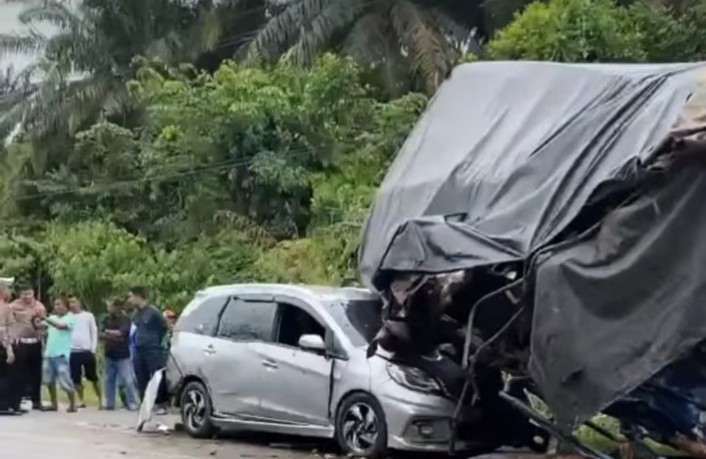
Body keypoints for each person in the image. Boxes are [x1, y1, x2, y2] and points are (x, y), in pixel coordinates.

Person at [10, 285, 46, 410]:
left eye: (29, 293)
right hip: (21, 342)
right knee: (19, 373)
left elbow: (43, 323)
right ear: (20, 294)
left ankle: (36, 401)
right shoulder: (13, 306)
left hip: (35, 342)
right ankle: (17, 401)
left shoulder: (39, 307)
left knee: (37, 373)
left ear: (33, 293)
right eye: (24, 294)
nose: (27, 297)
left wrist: (41, 325)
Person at [128, 286, 167, 400]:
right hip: (138, 349)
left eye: (131, 297)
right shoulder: (136, 314)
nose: (129, 300)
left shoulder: (153, 312)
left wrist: (155, 341)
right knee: (140, 377)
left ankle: (161, 402)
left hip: (152, 349)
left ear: (138, 296)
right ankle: (144, 401)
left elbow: (164, 327)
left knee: (156, 376)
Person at [101, 299, 139, 411]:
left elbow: (122, 333)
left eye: (110, 306)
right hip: (109, 353)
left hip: (122, 355)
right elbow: (101, 333)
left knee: (128, 379)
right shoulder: (106, 319)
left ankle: (133, 403)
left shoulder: (125, 319)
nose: (108, 308)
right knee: (109, 380)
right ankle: (110, 403)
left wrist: (109, 333)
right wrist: (114, 335)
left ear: (117, 307)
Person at [42, 297, 77, 412]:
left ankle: (73, 404)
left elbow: (60, 326)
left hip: (61, 355)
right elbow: (41, 326)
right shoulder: (52, 317)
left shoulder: (70, 317)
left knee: (65, 382)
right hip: (49, 353)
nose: (57, 307)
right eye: (55, 305)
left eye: (59, 304)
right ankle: (54, 404)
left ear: (66, 306)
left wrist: (45, 318)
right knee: (48, 381)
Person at [68, 295, 102, 408]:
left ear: (79, 303)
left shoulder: (88, 316)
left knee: (93, 377)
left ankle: (101, 399)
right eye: (70, 302)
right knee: (75, 378)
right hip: (73, 351)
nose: (72, 304)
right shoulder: (68, 317)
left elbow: (94, 332)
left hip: (87, 351)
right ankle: (81, 400)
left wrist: (93, 348)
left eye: (74, 301)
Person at [0, 278, 19, 414]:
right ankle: (5, 404)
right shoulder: (5, 307)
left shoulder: (6, 307)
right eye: (7, 288)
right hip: (3, 344)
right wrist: (9, 349)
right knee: (5, 375)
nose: (10, 292)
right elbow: (5, 330)